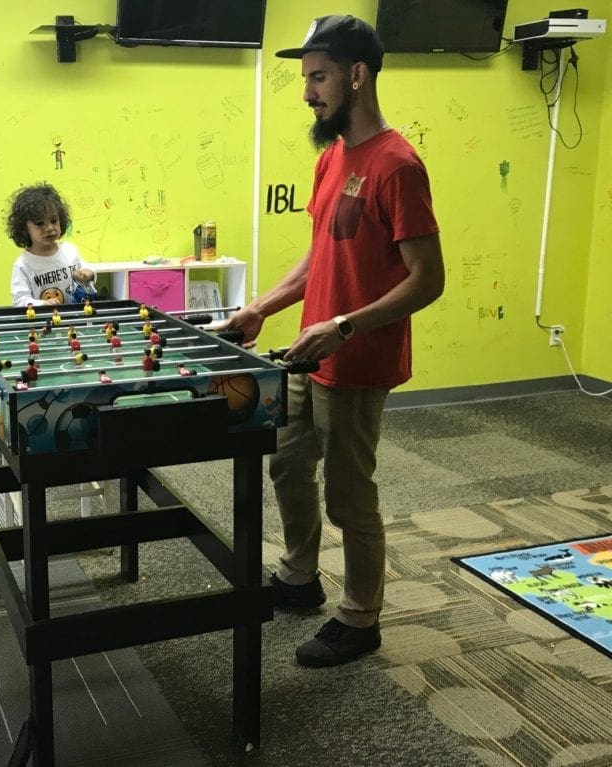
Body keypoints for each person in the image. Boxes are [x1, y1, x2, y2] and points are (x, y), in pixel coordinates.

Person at [224, 16, 445, 667]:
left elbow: (428, 280)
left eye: (317, 77)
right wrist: (263, 306)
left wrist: (344, 326)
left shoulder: (398, 165)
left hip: (356, 361)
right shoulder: (331, 159)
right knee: (288, 463)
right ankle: (299, 576)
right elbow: (319, 256)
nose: (307, 93)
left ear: (357, 74)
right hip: (306, 354)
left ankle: (362, 615)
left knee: (350, 494)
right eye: (305, 79)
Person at [7, 183, 95, 306]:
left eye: (54, 221)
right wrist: (43, 304)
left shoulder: (69, 251)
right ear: (24, 228)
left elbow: (87, 269)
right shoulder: (23, 264)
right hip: (43, 322)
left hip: (73, 319)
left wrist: (88, 273)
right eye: (40, 223)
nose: (49, 228)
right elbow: (20, 301)